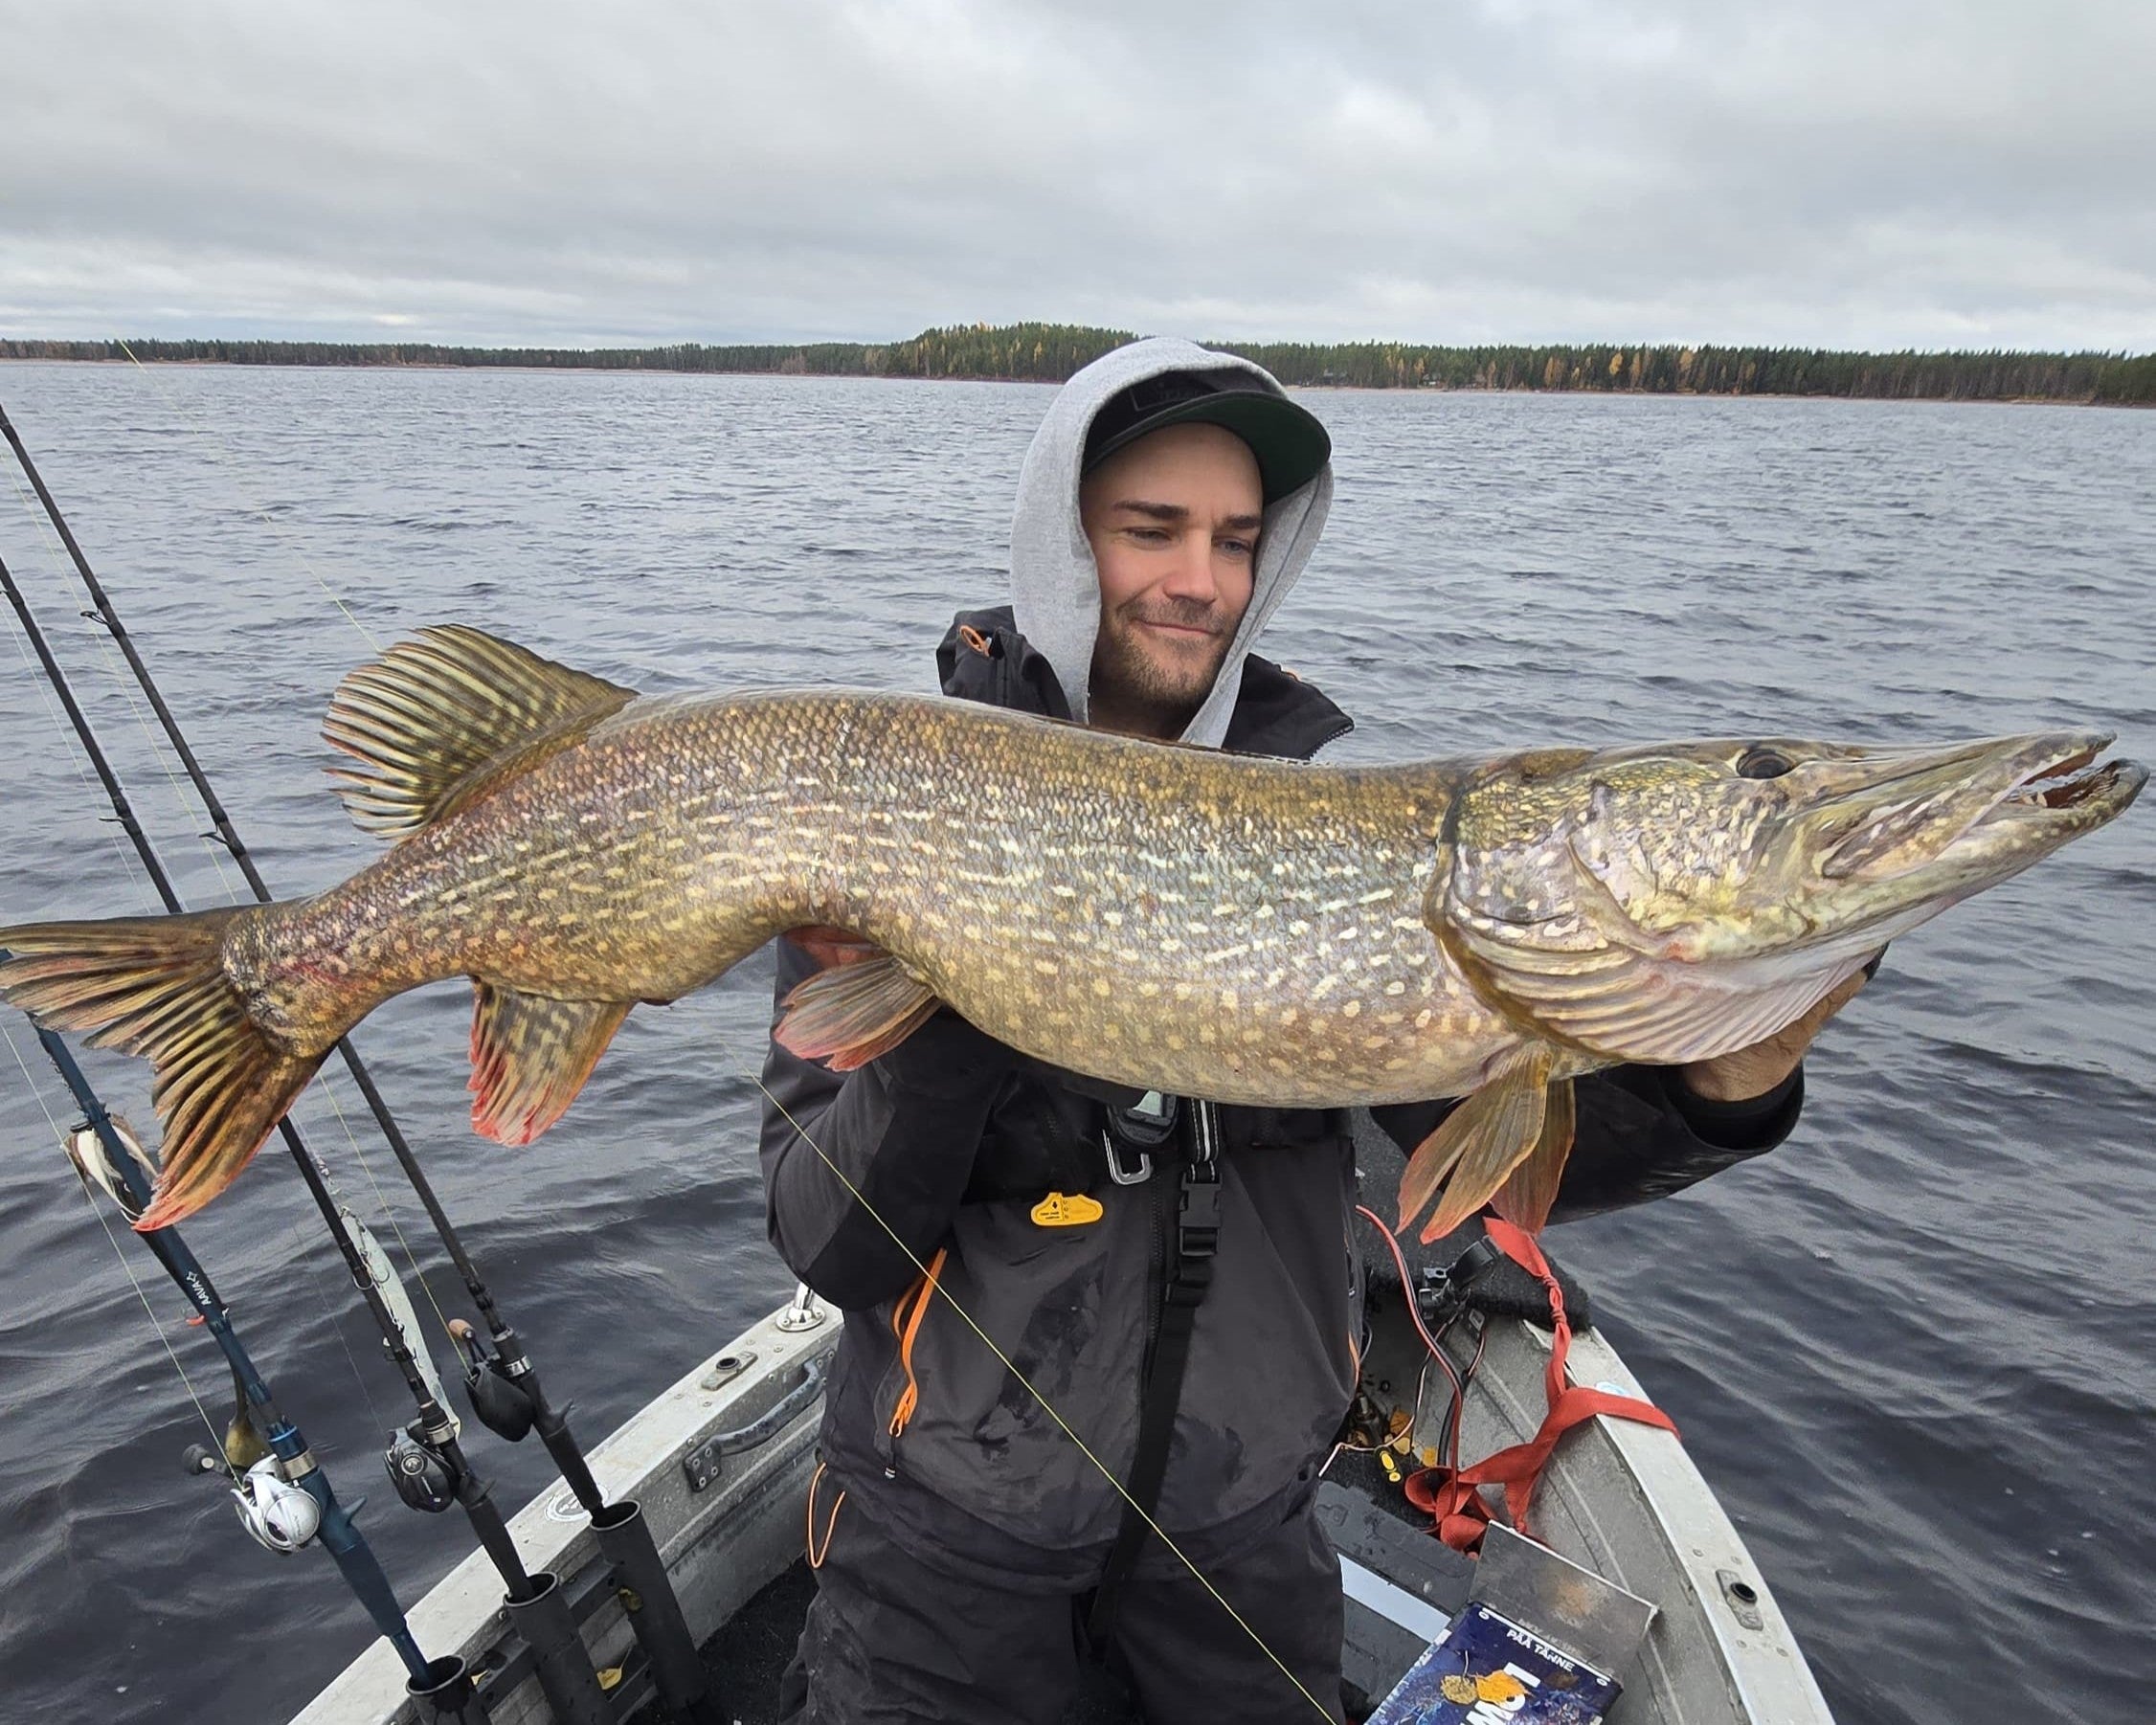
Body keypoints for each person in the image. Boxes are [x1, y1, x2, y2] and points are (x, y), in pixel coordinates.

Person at [758, 337, 1866, 1723]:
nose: (1201, 580)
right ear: (1062, 541)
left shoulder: (1335, 826)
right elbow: (832, 1242)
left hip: (1241, 1538)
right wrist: (956, 994)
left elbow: (1519, 1167)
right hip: (943, 1542)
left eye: (1236, 540)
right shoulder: (893, 803)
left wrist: (1725, 1089)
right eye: (1151, 529)